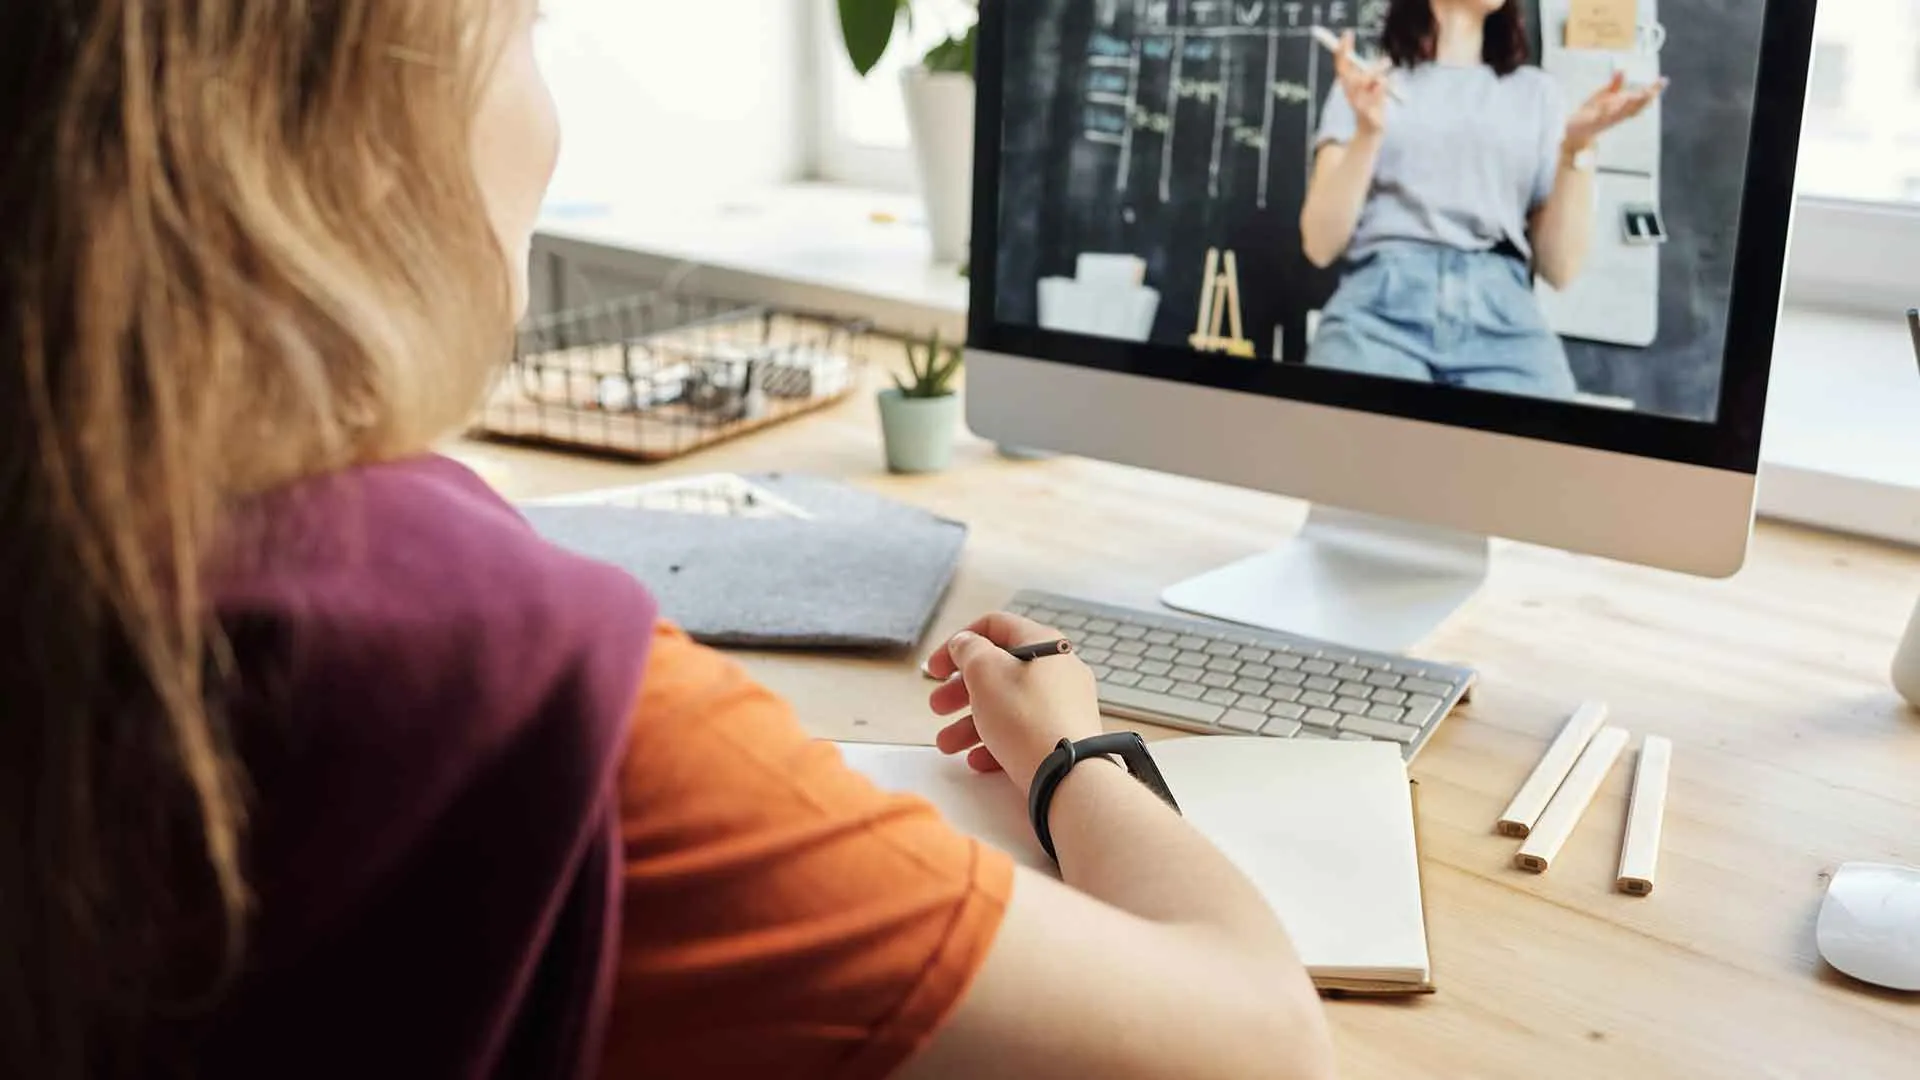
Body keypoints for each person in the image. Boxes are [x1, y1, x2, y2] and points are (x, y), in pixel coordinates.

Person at [0, 3, 1337, 1079]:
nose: (551, 123)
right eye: (525, 33)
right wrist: (1073, 754)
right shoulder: (518, 687)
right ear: (357, 113)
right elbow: (1259, 1043)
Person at [1299, 0, 1664, 398]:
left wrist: (1577, 146)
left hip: (1503, 315)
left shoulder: (1537, 94)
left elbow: (1560, 268)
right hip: (1379, 308)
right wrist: (1368, 132)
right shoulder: (1368, 83)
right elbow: (1320, 243)